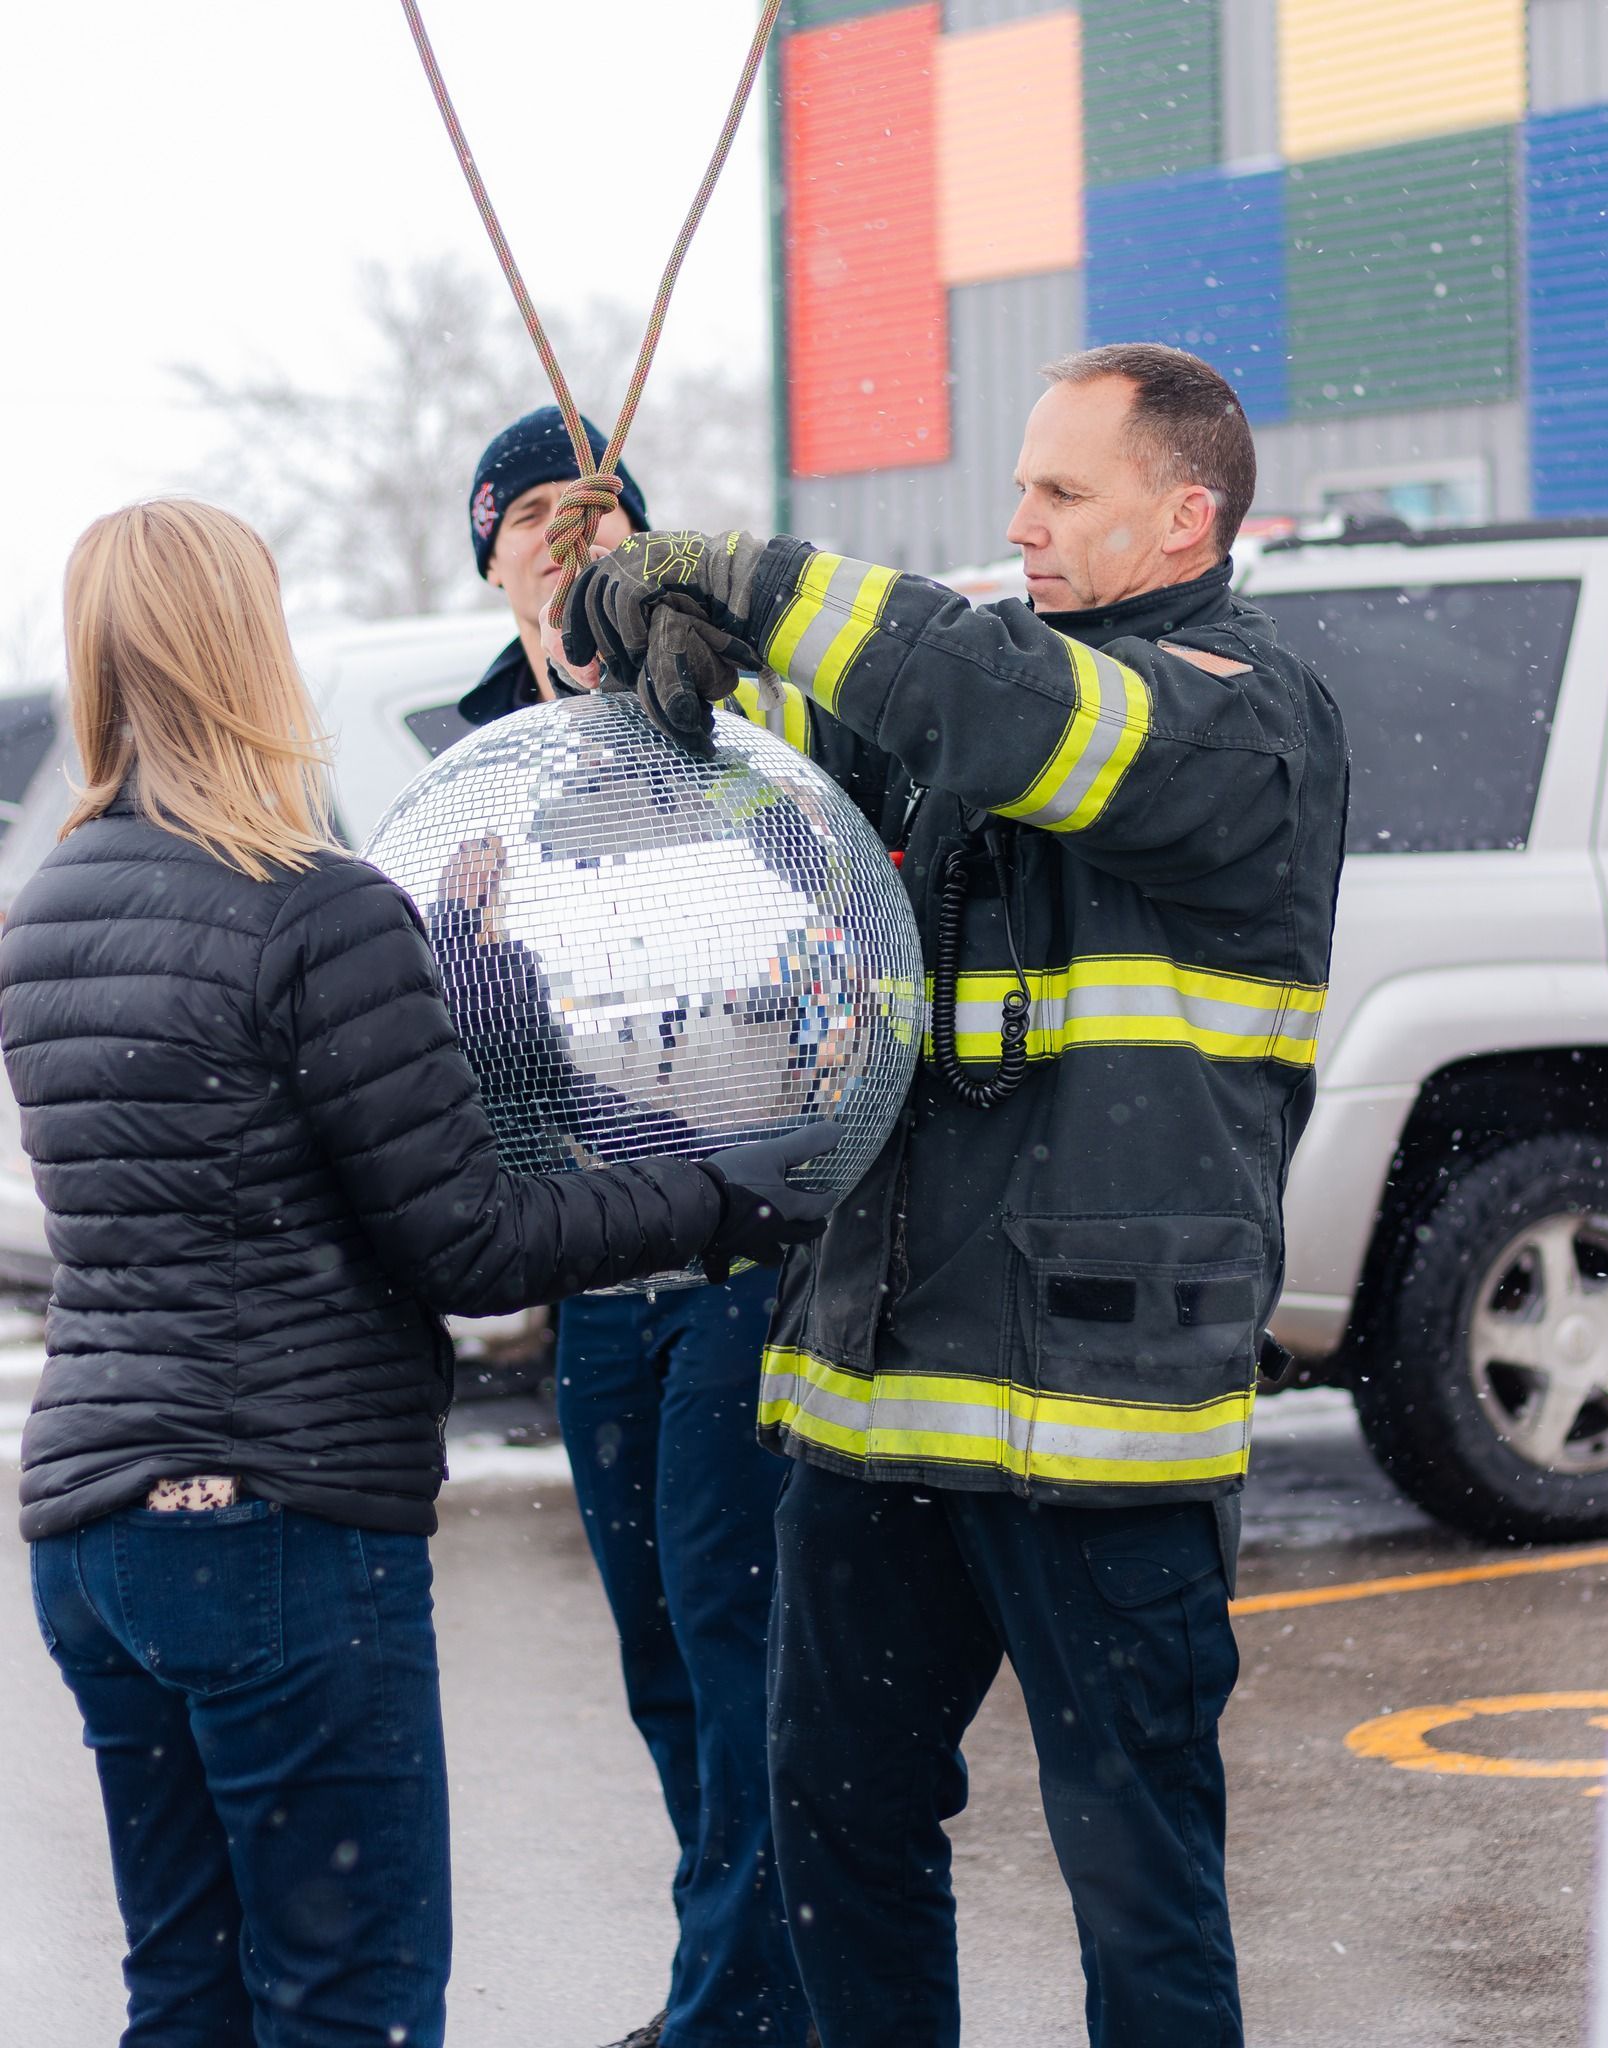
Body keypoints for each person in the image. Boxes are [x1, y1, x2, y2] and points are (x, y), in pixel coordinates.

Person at [561, 344, 1351, 2048]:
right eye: (1019, 488)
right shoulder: (977, 711)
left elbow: (1000, 711)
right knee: (829, 1833)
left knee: (1140, 1891)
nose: (1022, 523)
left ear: (1185, 515)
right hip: (878, 1403)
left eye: (1061, 493)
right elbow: (797, 752)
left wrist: (758, 577)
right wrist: (646, 640)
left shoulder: (1236, 719)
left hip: (1100, 1424)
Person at [1, 497, 836, 2048]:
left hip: (94, 1534)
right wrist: (717, 1197)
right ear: (249, 652)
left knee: (184, 1992)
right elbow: (467, 1241)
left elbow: (206, 1172)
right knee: (351, 2005)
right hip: (278, 1521)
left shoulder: (45, 913)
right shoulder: (313, 907)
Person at [459, 409, 814, 2048]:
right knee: (658, 1649)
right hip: (589, 1266)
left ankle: (735, 2002)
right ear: (489, 555)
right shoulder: (469, 768)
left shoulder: (720, 713)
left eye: (588, 509)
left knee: (737, 1629)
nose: (559, 535)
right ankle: (741, 1976)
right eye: (527, 512)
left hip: (739, 1246)